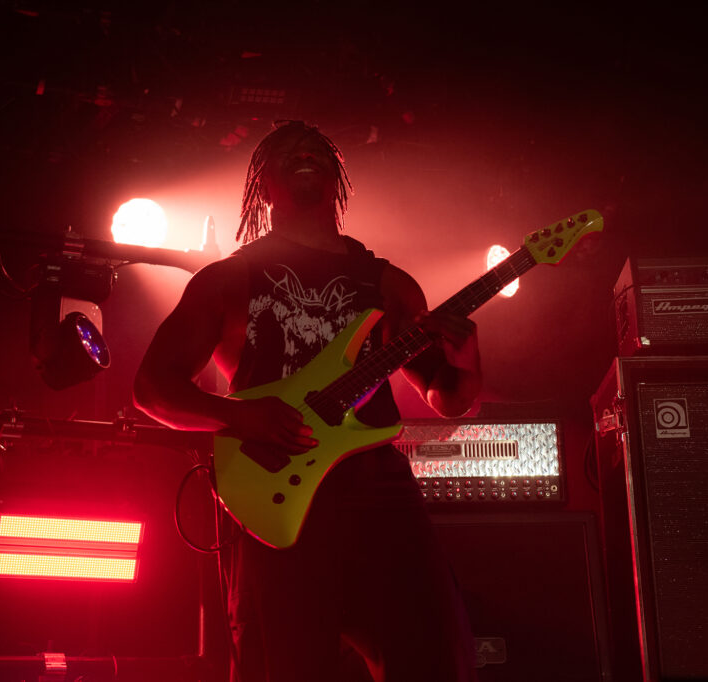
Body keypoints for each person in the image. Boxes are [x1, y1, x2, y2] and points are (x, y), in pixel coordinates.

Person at [134, 120, 482, 682]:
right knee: (286, 663)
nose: (305, 154)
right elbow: (152, 388)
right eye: (289, 152)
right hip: (278, 485)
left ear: (337, 179)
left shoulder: (390, 284)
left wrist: (466, 355)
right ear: (262, 183)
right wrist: (242, 414)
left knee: (435, 651)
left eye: (318, 150)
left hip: (378, 489)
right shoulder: (228, 279)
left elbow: (449, 398)